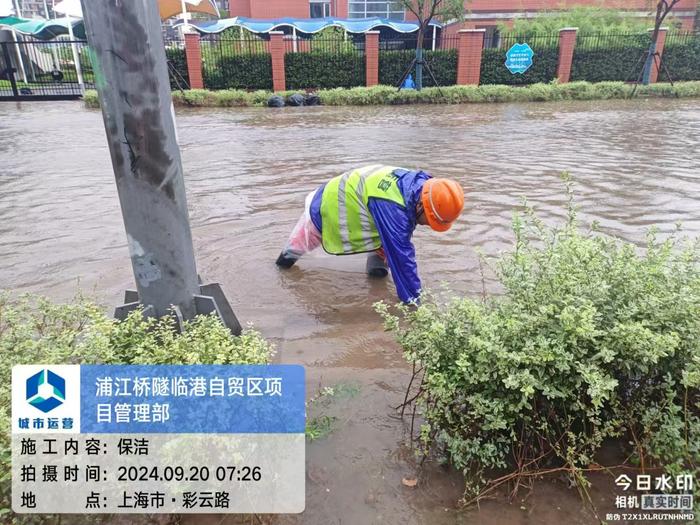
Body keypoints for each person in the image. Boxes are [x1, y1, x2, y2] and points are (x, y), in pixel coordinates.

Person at [275, 165, 465, 303]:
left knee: (387, 247)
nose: (427, 226)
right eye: (430, 221)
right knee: (296, 250)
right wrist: (416, 304)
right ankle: (279, 275)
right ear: (421, 206)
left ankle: (376, 281)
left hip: (353, 199)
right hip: (330, 206)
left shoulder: (421, 185)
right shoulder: (394, 211)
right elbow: (402, 260)